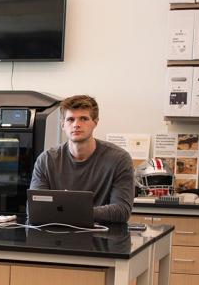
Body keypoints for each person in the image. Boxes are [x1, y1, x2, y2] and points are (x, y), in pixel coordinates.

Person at [30, 94, 134, 223]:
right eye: (70, 119)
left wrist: (67, 210)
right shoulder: (46, 160)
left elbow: (121, 211)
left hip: (103, 238)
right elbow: (35, 209)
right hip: (58, 238)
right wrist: (80, 211)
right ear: (62, 125)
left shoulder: (119, 159)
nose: (76, 124)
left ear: (95, 123)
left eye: (83, 119)